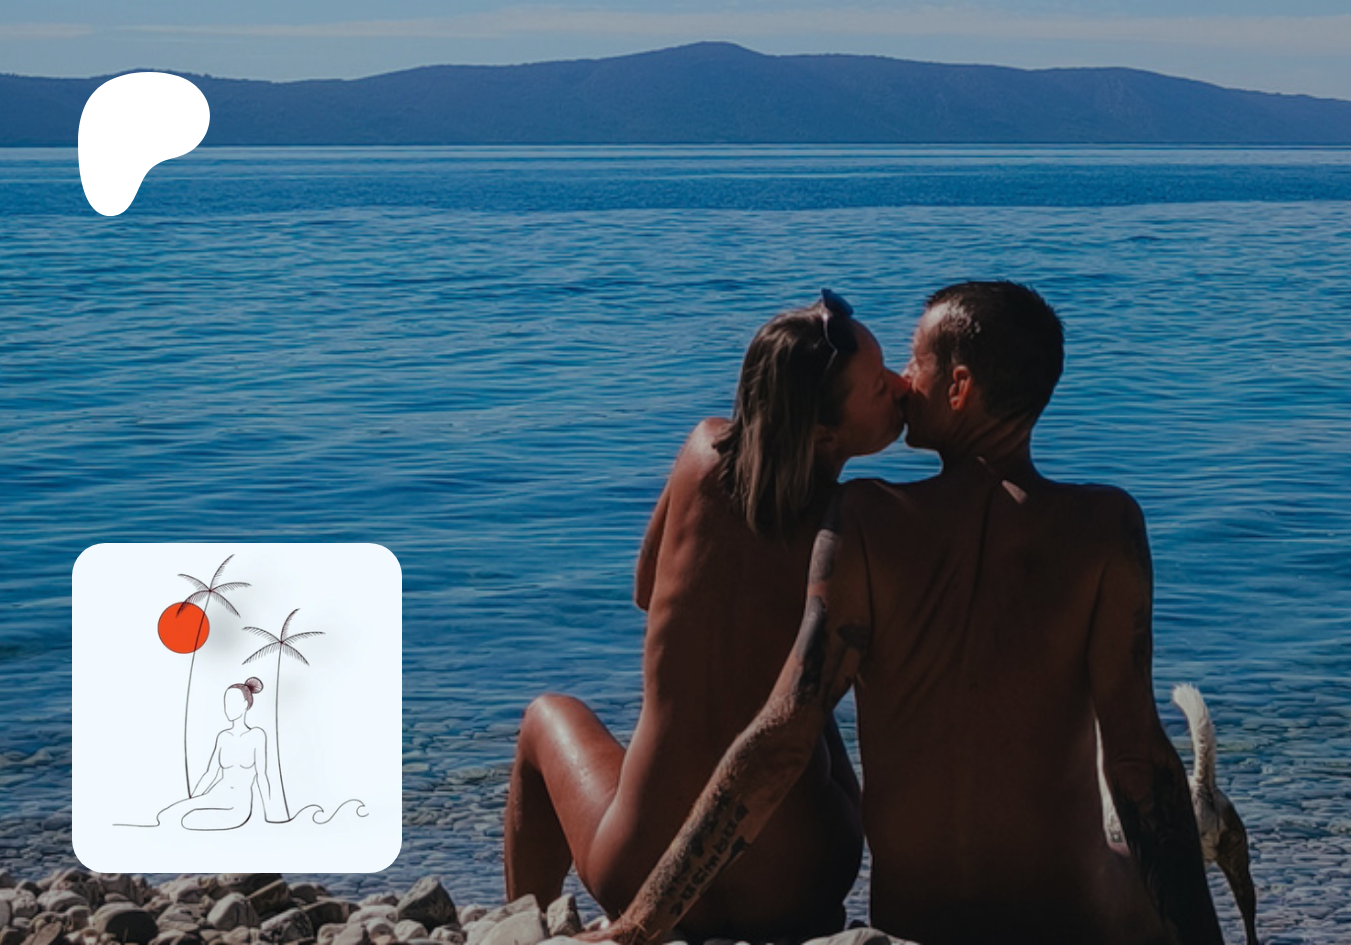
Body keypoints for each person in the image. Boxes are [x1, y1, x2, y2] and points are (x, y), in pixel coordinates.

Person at [600, 282, 1224, 945]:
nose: (902, 381)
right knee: (1132, 866)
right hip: (1065, 920)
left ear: (959, 387)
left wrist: (643, 920)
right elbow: (1136, 758)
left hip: (915, 924)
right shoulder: (1105, 527)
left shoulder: (865, 519)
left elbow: (782, 735)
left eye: (913, 359)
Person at [504, 291, 905, 941]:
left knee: (544, 716)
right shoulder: (859, 519)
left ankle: (520, 922)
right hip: (798, 884)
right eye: (880, 385)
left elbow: (645, 590)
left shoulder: (702, 453)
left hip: (638, 866)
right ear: (824, 434)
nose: (901, 387)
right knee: (813, 704)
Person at [128, 678, 279, 830]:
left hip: (237, 805)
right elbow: (210, 774)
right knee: (165, 816)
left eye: (233, 703)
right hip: (216, 795)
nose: (228, 708)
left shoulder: (257, 735)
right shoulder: (223, 737)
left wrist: (270, 814)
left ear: (245, 704)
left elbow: (262, 775)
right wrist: (191, 801)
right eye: (226, 703)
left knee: (188, 821)